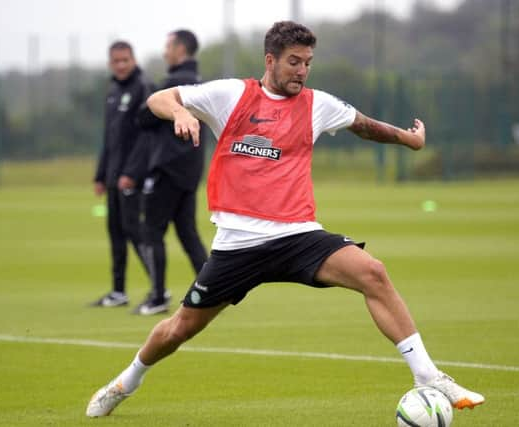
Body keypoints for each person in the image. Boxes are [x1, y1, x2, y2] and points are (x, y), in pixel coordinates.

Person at [86, 21, 484, 417]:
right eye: (294, 61)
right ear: (270, 59)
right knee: (180, 329)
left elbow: (364, 126)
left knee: (373, 272)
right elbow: (159, 97)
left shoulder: (318, 104)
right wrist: (179, 113)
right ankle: (127, 381)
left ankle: (427, 376)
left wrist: (407, 138)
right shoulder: (230, 94)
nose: (301, 71)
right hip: (239, 244)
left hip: (298, 236)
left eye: (308, 62)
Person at [130, 30, 209, 315]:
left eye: (168, 45)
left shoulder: (174, 85)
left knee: (151, 231)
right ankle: (215, 291)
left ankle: (157, 296)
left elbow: (143, 116)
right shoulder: (202, 84)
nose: (165, 52)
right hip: (191, 169)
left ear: (180, 48)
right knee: (188, 233)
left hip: (166, 168)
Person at [91, 41, 156, 307]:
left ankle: (158, 286)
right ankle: (118, 291)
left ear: (133, 60)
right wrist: (101, 175)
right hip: (113, 177)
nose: (120, 65)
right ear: (110, 63)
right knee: (115, 231)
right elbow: (110, 138)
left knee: (135, 231)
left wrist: (131, 172)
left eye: (124, 60)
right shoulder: (113, 91)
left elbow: (146, 138)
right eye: (115, 61)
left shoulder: (143, 88)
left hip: (133, 177)